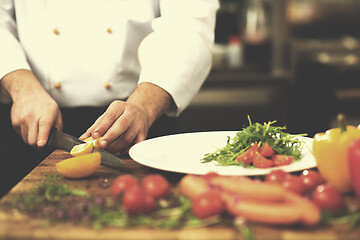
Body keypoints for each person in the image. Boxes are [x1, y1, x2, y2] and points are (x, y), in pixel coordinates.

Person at [0, 0, 219, 197]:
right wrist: (20, 85)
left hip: (140, 122)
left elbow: (188, 22)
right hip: (34, 121)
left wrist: (145, 105)